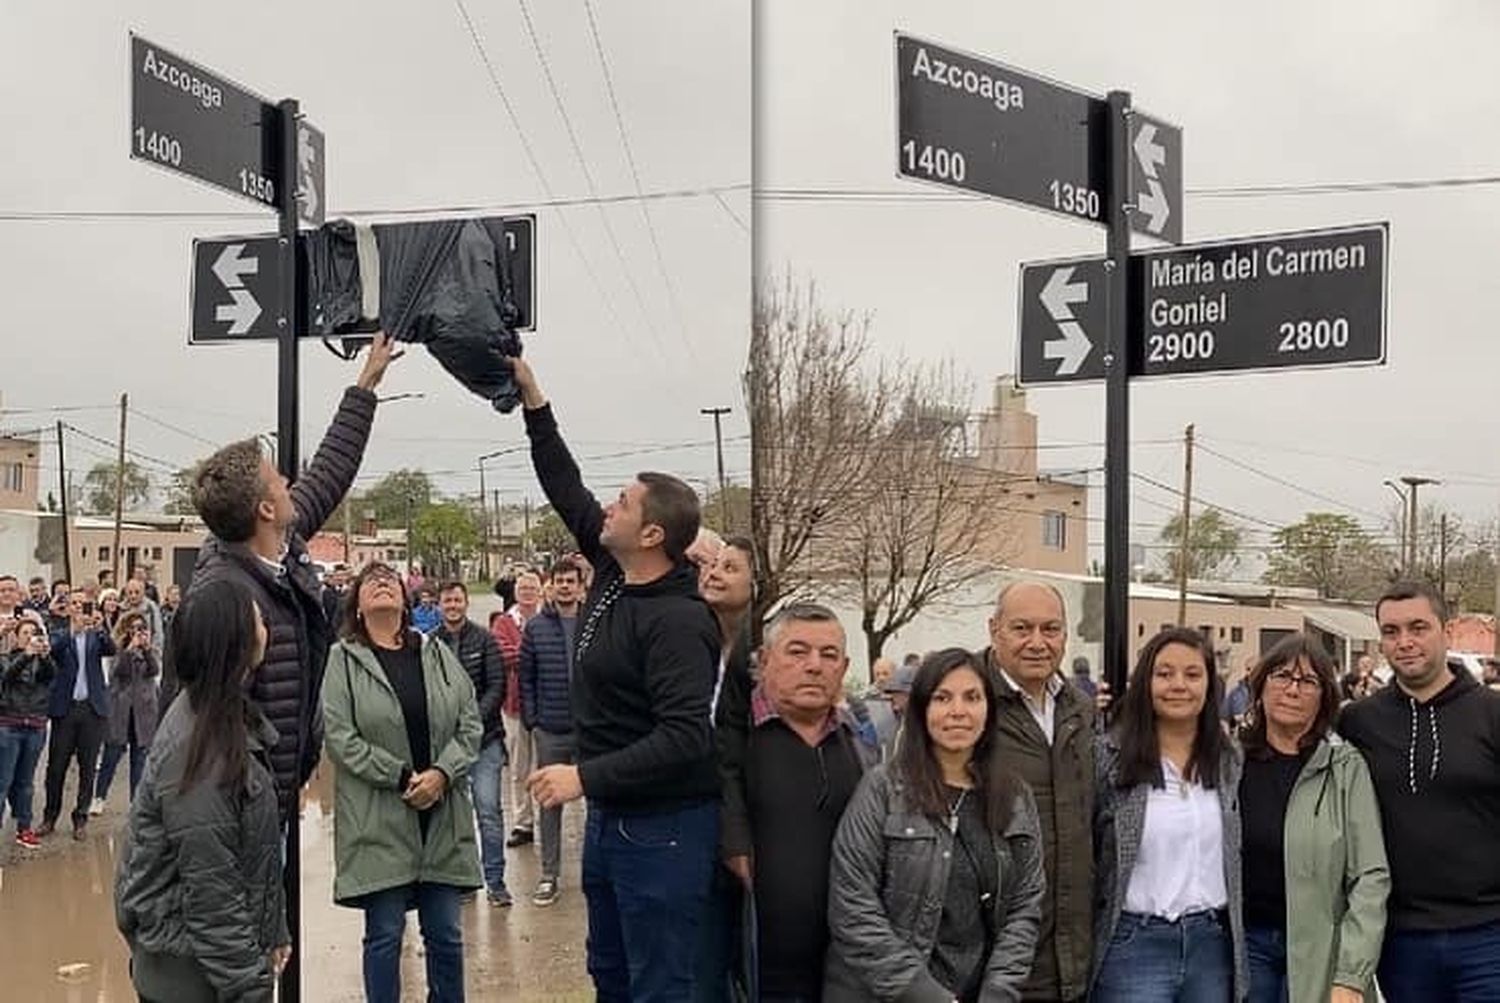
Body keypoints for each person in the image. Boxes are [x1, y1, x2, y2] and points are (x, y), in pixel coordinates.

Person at [509, 357, 721, 1001]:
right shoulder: (609, 569)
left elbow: (687, 736)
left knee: (660, 987)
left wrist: (583, 777)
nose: (607, 505)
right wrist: (534, 400)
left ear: (652, 533)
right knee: (611, 977)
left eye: (623, 502)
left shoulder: (680, 621)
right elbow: (564, 484)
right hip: (611, 822)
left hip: (664, 831)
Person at [186, 332, 398, 827]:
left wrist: (366, 382)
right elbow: (206, 726)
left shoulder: (279, 547)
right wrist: (254, 803)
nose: (288, 482)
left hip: (279, 791)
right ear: (264, 509)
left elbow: (330, 469)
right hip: (243, 808)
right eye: (278, 480)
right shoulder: (223, 599)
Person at [824, 648, 1045, 1001]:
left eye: (972, 697)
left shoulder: (1014, 794)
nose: (958, 711)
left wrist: (998, 992)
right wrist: (926, 995)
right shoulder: (884, 788)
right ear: (922, 709)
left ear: (988, 710)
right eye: (942, 698)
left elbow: (1025, 904)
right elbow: (853, 905)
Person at [115, 580, 290, 1003]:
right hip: (194, 977)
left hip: (210, 963)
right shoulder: (199, 745)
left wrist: (274, 927)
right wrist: (251, 987)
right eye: (256, 620)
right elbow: (211, 887)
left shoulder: (225, 716)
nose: (266, 627)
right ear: (233, 639)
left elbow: (249, 854)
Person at [322, 562, 483, 1003]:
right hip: (379, 818)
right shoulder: (343, 660)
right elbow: (339, 737)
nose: (381, 582)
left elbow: (469, 724)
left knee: (447, 936)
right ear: (355, 603)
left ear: (405, 598)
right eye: (370, 580)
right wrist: (397, 775)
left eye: (389, 578)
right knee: (385, 935)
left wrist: (443, 773)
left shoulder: (434, 653)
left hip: (441, 814)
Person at [1338, 580, 1500, 1000]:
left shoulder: (1491, 714)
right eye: (1391, 632)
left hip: (1488, 936)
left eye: (1418, 628)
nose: (1404, 642)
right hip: (1401, 941)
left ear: (1445, 632)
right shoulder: (1358, 722)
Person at [719, 603, 874, 1000]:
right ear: (766, 660)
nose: (814, 666)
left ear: (844, 666)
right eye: (797, 651)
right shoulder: (732, 746)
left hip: (844, 970)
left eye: (828, 655)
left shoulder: (862, 748)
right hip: (753, 967)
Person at [1092, 626, 1245, 1002]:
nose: (1179, 685)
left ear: (1211, 683)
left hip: (1210, 944)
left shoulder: (1228, 760)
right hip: (1134, 943)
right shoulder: (1108, 758)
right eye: (1164, 673)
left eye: (1193, 674)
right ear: (1146, 681)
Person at [1238, 633, 1387, 1003]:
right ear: (1260, 685)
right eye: (1281, 676)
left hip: (1322, 950)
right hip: (1246, 947)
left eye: (1308, 681)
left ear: (1324, 697)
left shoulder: (1344, 767)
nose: (1292, 689)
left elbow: (1370, 876)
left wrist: (1351, 975)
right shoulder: (1231, 763)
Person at [977, 580, 1096, 1002]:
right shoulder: (966, 703)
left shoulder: (1080, 711)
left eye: (1051, 629)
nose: (1037, 643)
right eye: (1022, 628)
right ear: (994, 630)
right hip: (990, 963)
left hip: (1072, 959)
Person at [432, 580, 511, 907]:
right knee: (455, 817)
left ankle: (495, 882)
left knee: (488, 812)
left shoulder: (485, 640)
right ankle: (464, 881)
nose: (453, 605)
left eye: (457, 600)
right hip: (446, 747)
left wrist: (471, 722)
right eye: (447, 601)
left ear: (466, 603)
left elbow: (496, 686)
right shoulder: (429, 644)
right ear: (440, 605)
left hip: (485, 741)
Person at [519, 557, 585, 907]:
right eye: (559, 580)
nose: (565, 586)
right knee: (549, 803)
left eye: (570, 580)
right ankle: (549, 875)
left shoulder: (595, 622)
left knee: (598, 803)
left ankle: (596, 873)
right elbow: (525, 676)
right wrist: (533, 718)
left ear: (580, 585)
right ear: (551, 584)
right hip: (551, 728)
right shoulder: (536, 627)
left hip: (591, 730)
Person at [40, 591, 114, 840]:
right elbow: (52, 650)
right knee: (56, 767)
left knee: (87, 767)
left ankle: (80, 818)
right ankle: (50, 816)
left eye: (83, 604)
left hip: (92, 709)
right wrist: (72, 629)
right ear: (69, 608)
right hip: (66, 708)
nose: (79, 608)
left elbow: (111, 649)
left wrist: (101, 626)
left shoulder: (96, 634)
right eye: (75, 604)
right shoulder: (61, 634)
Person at [92, 611, 161, 813]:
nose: (138, 632)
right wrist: (129, 650)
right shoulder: (117, 649)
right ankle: (99, 796)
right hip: (121, 710)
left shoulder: (151, 649)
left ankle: (135, 802)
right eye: (134, 628)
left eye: (142, 627)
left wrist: (146, 650)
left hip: (143, 711)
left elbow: (154, 670)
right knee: (111, 756)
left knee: (139, 760)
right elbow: (118, 672)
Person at [493, 569, 542, 849]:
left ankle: (547, 818)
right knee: (519, 767)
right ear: (515, 592)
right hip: (514, 705)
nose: (527, 593)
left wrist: (525, 650)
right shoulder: (503, 622)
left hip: (547, 703)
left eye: (532, 588)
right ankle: (523, 822)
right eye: (523, 588)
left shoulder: (549, 617)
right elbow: (504, 654)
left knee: (546, 765)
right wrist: (536, 649)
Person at [0, 612, 56, 849]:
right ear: (16, 637)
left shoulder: (43, 661)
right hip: (9, 725)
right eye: (25, 633)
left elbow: (50, 676)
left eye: (34, 633)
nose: (30, 637)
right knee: (3, 780)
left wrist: (43, 656)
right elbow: (8, 677)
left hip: (35, 725)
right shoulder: (6, 658)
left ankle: (24, 827)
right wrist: (26, 655)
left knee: (26, 781)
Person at [122, 576, 166, 661]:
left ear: (143, 592)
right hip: (127, 657)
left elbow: (158, 634)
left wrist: (154, 655)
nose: (133, 596)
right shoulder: (122, 608)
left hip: (147, 656)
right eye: (130, 593)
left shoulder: (151, 608)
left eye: (137, 592)